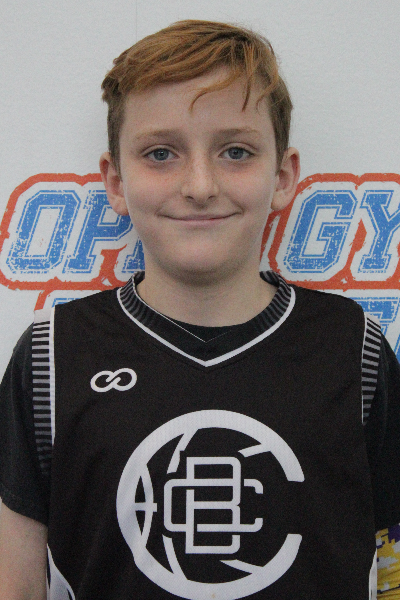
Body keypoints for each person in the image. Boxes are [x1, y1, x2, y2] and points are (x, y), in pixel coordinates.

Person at [0, 19, 399, 600]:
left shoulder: (354, 348)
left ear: (283, 175)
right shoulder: (51, 356)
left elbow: (390, 561)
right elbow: (15, 581)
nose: (200, 185)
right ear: (115, 180)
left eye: (236, 151)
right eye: (160, 153)